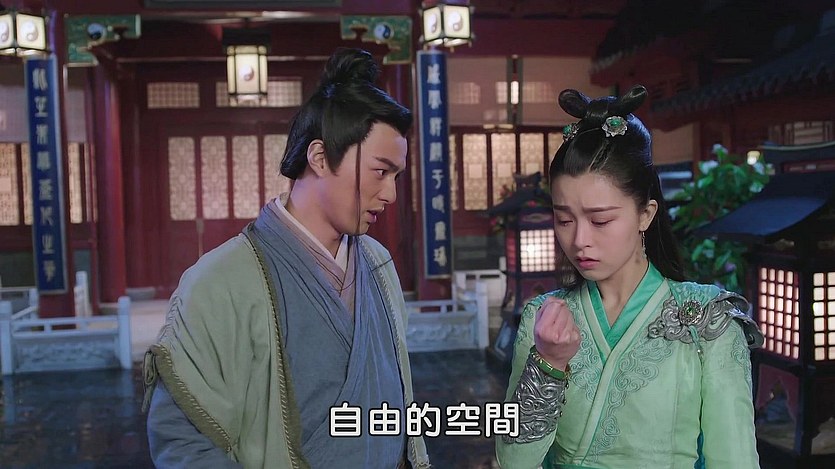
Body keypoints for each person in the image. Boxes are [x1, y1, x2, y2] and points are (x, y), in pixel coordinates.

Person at [142, 48, 431, 469]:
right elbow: (184, 442)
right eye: (380, 172)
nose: (390, 194)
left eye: (397, 176)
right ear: (319, 157)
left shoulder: (377, 263)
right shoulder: (220, 281)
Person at [495, 85, 763, 468]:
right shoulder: (543, 318)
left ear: (645, 214)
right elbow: (513, 461)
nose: (579, 240)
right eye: (564, 220)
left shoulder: (707, 321)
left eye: (601, 220)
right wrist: (549, 363)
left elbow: (734, 460)